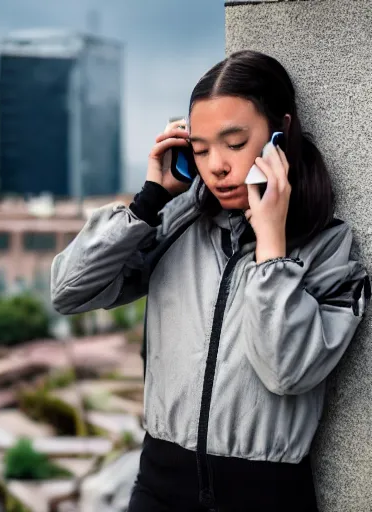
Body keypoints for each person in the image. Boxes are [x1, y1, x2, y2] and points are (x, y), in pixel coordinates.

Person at [50, 50, 370, 512]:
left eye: (235, 144)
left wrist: (271, 248)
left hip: (268, 495)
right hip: (159, 486)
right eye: (200, 150)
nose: (216, 166)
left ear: (282, 132)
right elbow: (68, 292)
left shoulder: (331, 249)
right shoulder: (175, 223)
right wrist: (147, 203)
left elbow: (287, 370)